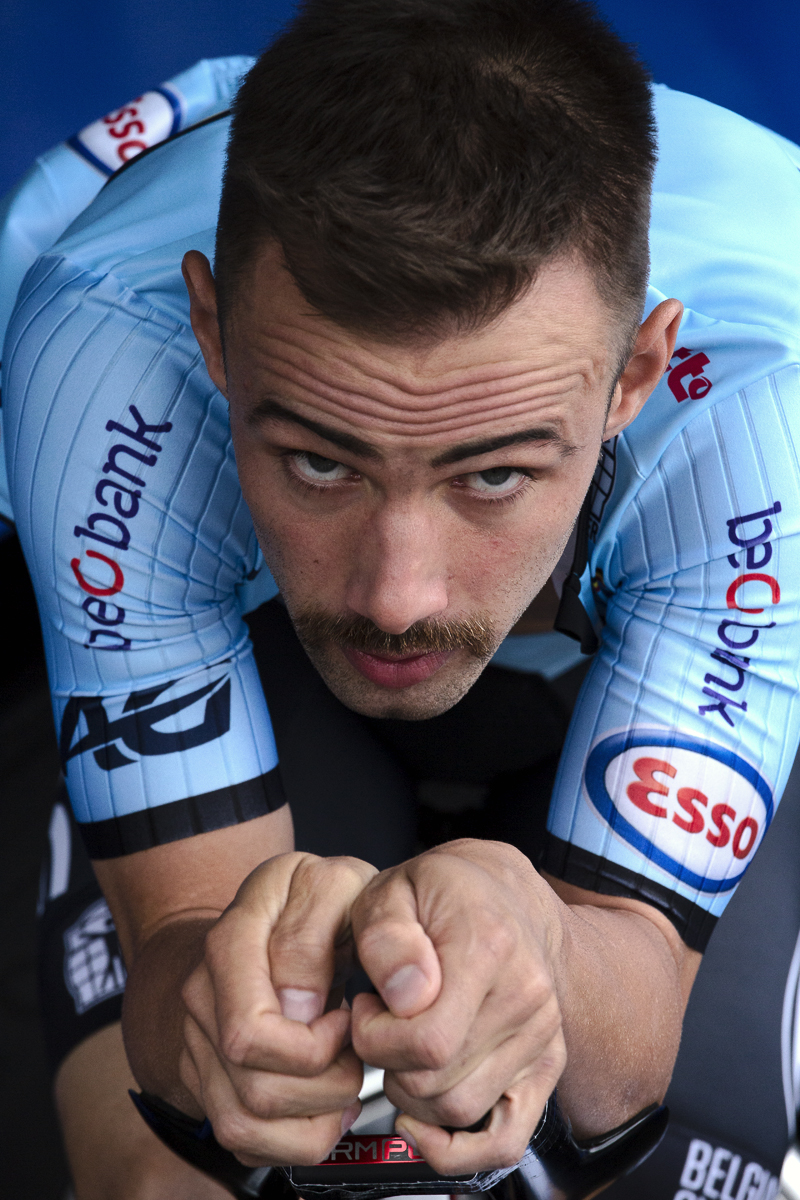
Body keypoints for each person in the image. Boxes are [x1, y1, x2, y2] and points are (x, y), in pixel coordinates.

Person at [4, 0, 800, 1196]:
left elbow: (621, 1053)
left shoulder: (767, 427)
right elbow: (178, 967)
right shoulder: (108, 363)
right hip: (231, 628)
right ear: (213, 332)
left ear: (635, 373)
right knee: (187, 1165)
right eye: (319, 460)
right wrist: (228, 980)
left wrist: (541, 936)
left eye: (493, 474)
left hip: (703, 605)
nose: (396, 594)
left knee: (680, 1163)